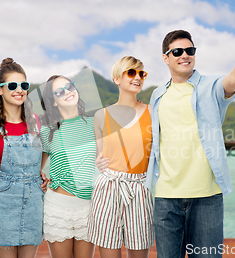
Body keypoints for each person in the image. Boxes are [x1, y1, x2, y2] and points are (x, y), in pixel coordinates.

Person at [145, 30, 235, 257]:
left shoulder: (211, 87)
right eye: (177, 51)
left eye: (190, 50)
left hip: (206, 198)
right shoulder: (157, 95)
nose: (185, 55)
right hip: (166, 198)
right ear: (166, 58)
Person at [88, 56, 154, 258]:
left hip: (140, 189)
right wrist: (99, 162)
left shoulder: (153, 112)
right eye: (131, 72)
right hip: (108, 188)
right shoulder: (101, 115)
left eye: (141, 73)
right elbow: (101, 157)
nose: (138, 78)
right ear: (117, 79)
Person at [0, 58, 47, 258]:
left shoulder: (36, 121)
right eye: (12, 85)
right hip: (2, 199)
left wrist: (40, 172)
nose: (19, 90)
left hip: (34, 200)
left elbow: (46, 149)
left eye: (24, 85)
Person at [39, 75, 96, 258]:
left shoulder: (96, 124)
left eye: (70, 87)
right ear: (53, 102)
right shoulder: (47, 130)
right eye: (59, 92)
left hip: (88, 207)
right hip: (57, 208)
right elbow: (37, 169)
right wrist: (41, 177)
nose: (68, 93)